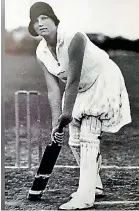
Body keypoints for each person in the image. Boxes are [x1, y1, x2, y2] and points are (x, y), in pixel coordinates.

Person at [28, 2, 131, 209]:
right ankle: (96, 185)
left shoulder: (74, 37)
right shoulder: (41, 52)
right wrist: (57, 122)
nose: (41, 23)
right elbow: (53, 89)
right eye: (36, 20)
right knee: (74, 140)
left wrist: (67, 113)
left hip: (102, 80)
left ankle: (85, 197)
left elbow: (73, 79)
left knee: (88, 134)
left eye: (44, 18)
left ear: (54, 20)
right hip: (80, 88)